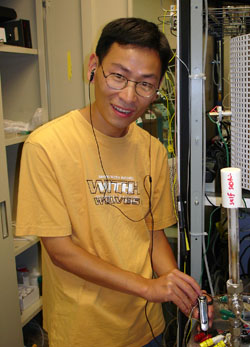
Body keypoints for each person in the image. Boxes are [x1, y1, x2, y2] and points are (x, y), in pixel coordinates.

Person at [16, 17, 213, 347]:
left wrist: (174, 284)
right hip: (82, 331)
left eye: (145, 84)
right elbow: (60, 251)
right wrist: (148, 287)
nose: (128, 95)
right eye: (118, 76)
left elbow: (152, 236)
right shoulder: (46, 145)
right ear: (94, 66)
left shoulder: (151, 150)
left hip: (146, 328)